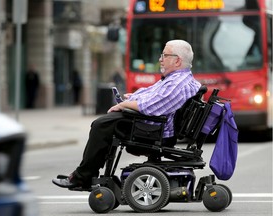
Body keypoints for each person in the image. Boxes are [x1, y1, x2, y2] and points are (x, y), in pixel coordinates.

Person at [52, 40, 201, 189]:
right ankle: (85, 174)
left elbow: (150, 107)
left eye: (165, 55)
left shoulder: (177, 83)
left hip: (154, 131)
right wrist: (133, 98)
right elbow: (152, 95)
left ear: (177, 61)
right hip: (153, 125)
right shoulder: (178, 78)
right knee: (105, 123)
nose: (160, 59)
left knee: (101, 125)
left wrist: (123, 105)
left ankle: (82, 177)